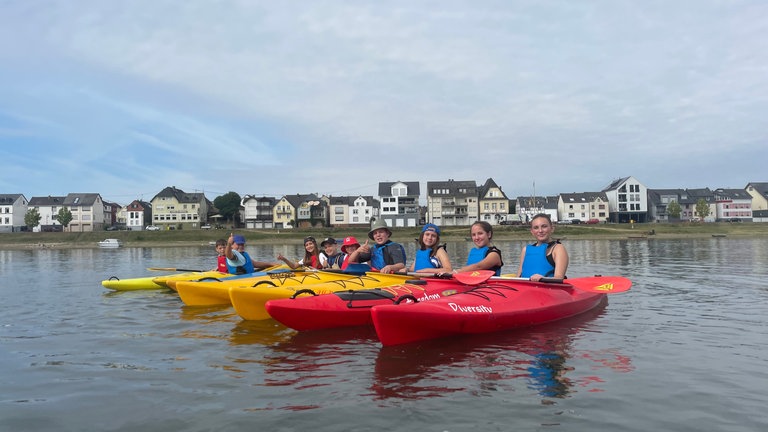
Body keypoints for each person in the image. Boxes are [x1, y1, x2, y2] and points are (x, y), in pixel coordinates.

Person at [516, 213, 568, 281]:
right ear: (532, 231)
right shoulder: (525, 250)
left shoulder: (558, 248)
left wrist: (542, 279)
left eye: (544, 226)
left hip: (548, 290)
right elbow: (518, 277)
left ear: (552, 229)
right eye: (536, 228)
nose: (540, 231)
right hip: (526, 289)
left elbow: (559, 278)